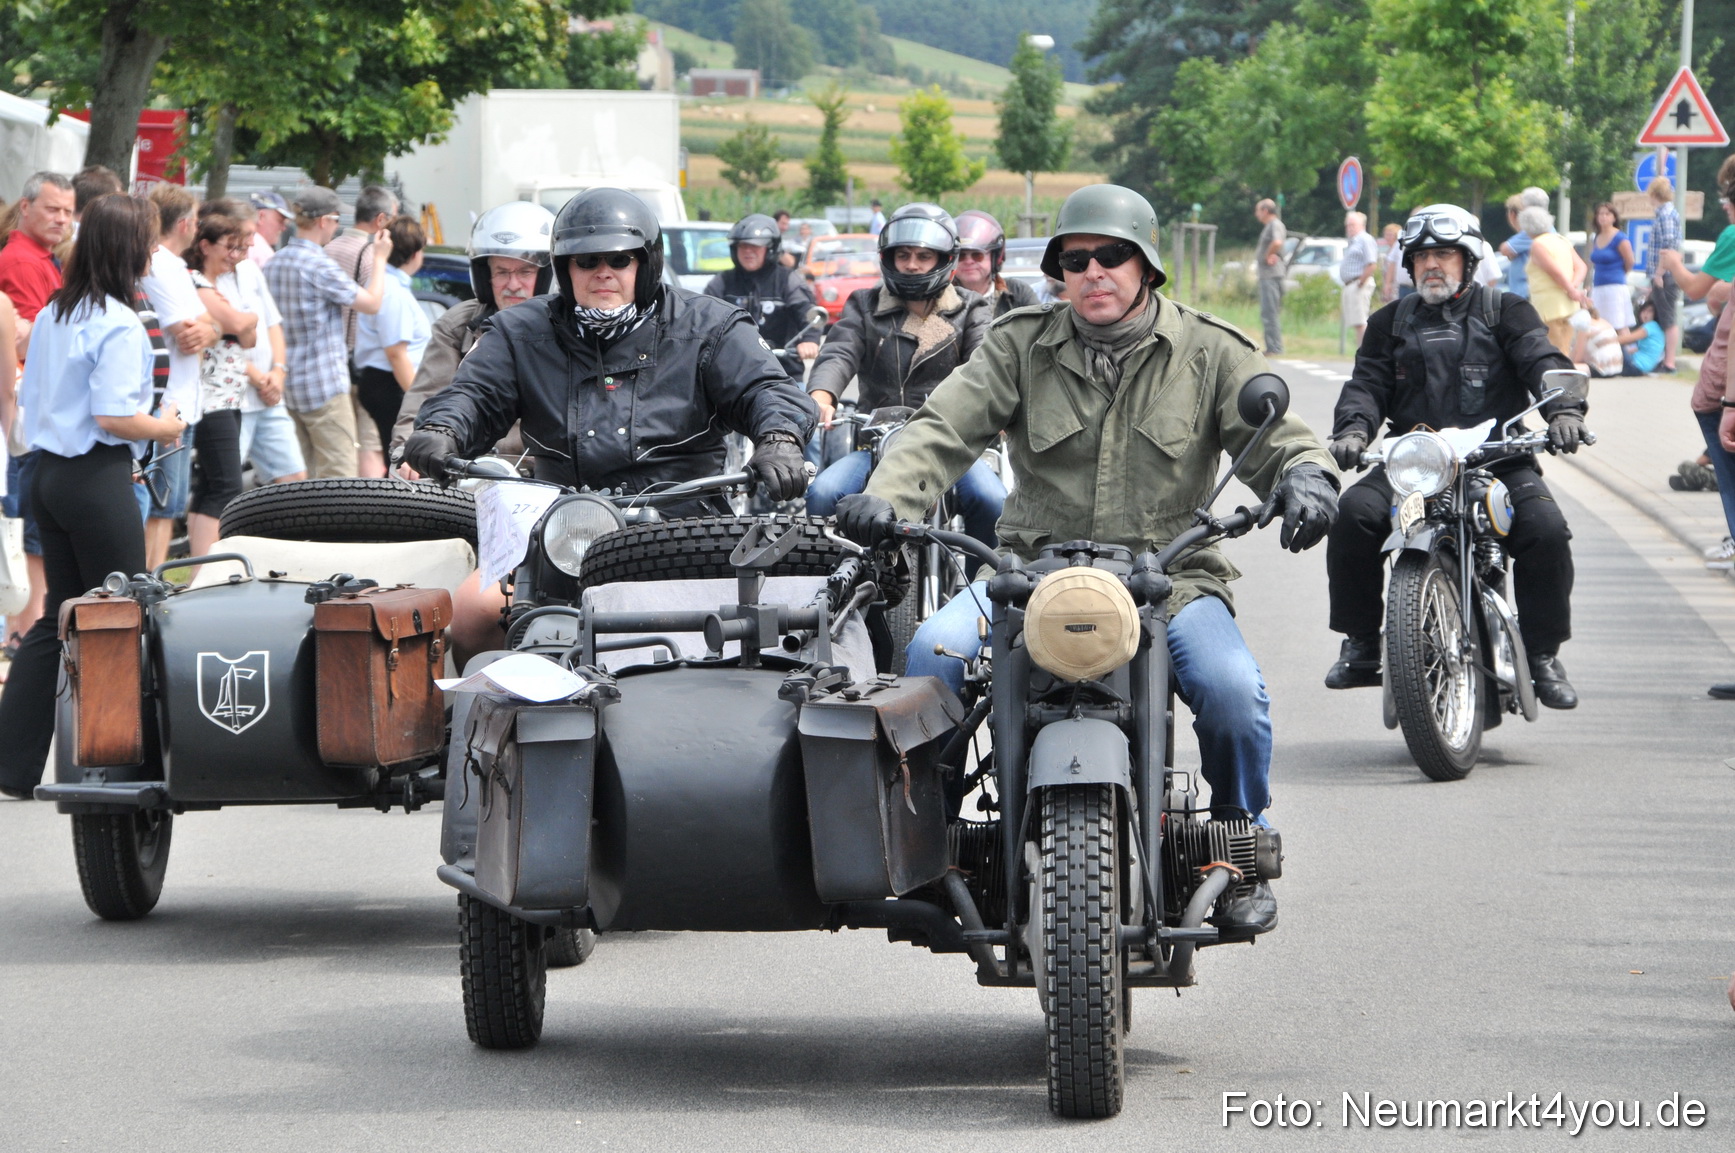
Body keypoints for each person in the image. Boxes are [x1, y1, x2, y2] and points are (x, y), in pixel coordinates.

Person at [833, 184, 1340, 936]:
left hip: (1168, 576)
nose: (1093, 272)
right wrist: (888, 497)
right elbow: (942, 428)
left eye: (1112, 257)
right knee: (929, 653)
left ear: (1146, 266)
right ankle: (931, 853)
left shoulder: (1207, 350)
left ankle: (1234, 853)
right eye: (1076, 260)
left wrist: (1305, 477)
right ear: (1058, 271)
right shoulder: (1018, 343)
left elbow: (1276, 437)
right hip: (1025, 574)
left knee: (1232, 691)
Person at [405, 187, 816, 662]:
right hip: (560, 528)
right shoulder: (520, 331)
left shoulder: (708, 325)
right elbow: (473, 394)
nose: (603, 272)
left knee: (727, 646)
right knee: (471, 614)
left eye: (619, 260)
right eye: (586, 261)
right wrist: (442, 430)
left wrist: (780, 437)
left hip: (683, 528)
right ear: (565, 268)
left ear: (646, 264)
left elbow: (766, 388)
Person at [1323, 205, 1587, 709]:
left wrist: (1564, 411)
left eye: (1444, 254)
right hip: (1416, 461)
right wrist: (1354, 430)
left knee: (1546, 530)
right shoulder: (1389, 322)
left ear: (1467, 260)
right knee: (1352, 515)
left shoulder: (1504, 310)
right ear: (1409, 266)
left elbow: (1541, 357)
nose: (1432, 266)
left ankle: (1542, 654)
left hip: (1498, 458)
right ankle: (1360, 643)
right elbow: (1366, 386)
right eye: (1422, 257)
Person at [0, 194, 187, 799]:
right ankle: (121, 754)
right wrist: (168, 426)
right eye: (150, 243)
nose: (155, 253)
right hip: (93, 475)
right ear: (132, 249)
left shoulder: (56, 310)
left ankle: (11, 764)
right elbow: (114, 416)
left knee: (61, 618)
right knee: (121, 613)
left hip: (49, 475)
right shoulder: (117, 321)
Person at [802, 202, 1000, 545]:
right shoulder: (863, 304)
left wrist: (994, 409)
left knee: (992, 501)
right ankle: (838, 591)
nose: (911, 264)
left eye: (923, 256)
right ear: (888, 258)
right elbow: (839, 350)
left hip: (951, 445)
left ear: (944, 259)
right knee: (824, 494)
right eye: (903, 255)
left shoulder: (972, 308)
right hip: (877, 443)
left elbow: (985, 366)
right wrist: (822, 393)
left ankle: (978, 591)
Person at [391, 200, 554, 459]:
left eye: (525, 271)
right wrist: (411, 451)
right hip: (469, 470)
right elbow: (423, 402)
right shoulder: (457, 325)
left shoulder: (571, 330)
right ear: (484, 277)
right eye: (501, 272)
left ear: (548, 275)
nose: (513, 284)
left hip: (546, 474)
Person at [264, 186, 390, 479]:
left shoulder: (274, 262)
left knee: (301, 478)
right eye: (335, 220)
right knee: (338, 479)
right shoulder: (319, 265)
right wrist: (380, 258)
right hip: (324, 386)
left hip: (288, 385)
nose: (337, 226)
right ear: (323, 221)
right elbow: (371, 303)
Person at [0, 171, 73, 656]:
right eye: (53, 209)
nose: (62, 219)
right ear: (25, 207)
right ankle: (22, 634)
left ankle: (24, 632)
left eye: (68, 211)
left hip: (27, 408)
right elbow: (24, 341)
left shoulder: (42, 258)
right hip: (23, 415)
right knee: (27, 534)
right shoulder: (22, 261)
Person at [141, 183, 218, 569]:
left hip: (177, 400)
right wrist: (211, 327)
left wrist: (211, 328)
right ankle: (147, 585)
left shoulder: (172, 265)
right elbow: (189, 330)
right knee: (159, 504)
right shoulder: (162, 264)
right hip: (168, 403)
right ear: (186, 224)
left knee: (164, 505)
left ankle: (149, 583)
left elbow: (206, 327)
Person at [209, 199, 303, 486]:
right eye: (247, 234)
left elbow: (272, 323)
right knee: (226, 484)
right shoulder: (208, 276)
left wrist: (278, 371)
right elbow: (220, 341)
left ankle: (279, 532)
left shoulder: (250, 270)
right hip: (236, 398)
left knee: (293, 477)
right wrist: (260, 379)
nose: (252, 242)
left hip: (270, 395)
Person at [185, 209, 260, 555]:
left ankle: (202, 567)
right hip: (210, 397)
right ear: (204, 245)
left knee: (212, 485)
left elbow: (249, 337)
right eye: (229, 248)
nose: (235, 257)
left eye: (240, 249)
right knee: (226, 485)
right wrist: (244, 319)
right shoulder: (197, 283)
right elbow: (239, 323)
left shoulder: (216, 288)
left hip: (229, 396)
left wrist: (242, 322)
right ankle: (206, 566)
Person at [325, 185, 400, 477]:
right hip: (364, 361)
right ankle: (370, 514)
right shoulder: (372, 256)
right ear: (380, 220)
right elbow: (378, 309)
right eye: (392, 218)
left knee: (341, 446)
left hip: (333, 363)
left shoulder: (327, 250)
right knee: (370, 444)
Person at [352, 216, 430, 455]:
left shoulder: (386, 284)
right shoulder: (393, 291)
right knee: (402, 457)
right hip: (391, 384)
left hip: (385, 381)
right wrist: (418, 403)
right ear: (416, 253)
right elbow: (396, 354)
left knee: (395, 456)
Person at [702, 213, 822, 356]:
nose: (748, 251)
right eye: (742, 245)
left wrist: (809, 340)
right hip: (734, 369)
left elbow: (807, 313)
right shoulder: (723, 281)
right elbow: (703, 317)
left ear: (771, 249)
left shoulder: (787, 280)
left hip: (783, 369)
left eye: (755, 246)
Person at [1521, 205, 1589, 356]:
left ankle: (1563, 378)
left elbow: (1555, 273)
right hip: (1569, 306)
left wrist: (1570, 290)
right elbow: (1581, 267)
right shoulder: (1562, 240)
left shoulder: (1538, 245)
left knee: (1554, 352)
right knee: (1564, 348)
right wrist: (1573, 288)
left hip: (1548, 307)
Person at [952, 209, 1039, 318]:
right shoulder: (941, 298)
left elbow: (1041, 329)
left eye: (977, 255)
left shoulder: (1018, 292)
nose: (969, 261)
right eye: (961, 256)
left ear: (995, 257)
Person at [1645, 177, 1682, 371]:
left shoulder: (1666, 214)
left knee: (1668, 317)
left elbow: (1668, 247)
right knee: (1662, 315)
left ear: (1655, 195)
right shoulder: (1665, 214)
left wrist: (1659, 273)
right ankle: (1664, 358)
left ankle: (1669, 362)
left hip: (1665, 274)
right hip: (1662, 273)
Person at [1587, 201, 1635, 331]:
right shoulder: (1596, 237)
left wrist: (1620, 273)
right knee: (1598, 323)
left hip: (1615, 287)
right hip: (1598, 286)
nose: (1603, 217)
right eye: (1600, 214)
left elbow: (1630, 260)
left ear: (1614, 217)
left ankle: (1625, 350)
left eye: (1607, 214)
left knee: (1618, 324)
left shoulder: (1620, 238)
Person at [1339, 210, 1379, 346]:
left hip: (1359, 283)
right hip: (1351, 284)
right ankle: (1361, 351)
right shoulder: (1353, 241)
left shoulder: (1365, 239)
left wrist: (1361, 282)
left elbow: (1371, 263)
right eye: (1348, 225)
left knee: (1360, 321)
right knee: (1356, 322)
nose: (1349, 228)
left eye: (1353, 225)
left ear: (1362, 225)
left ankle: (1364, 353)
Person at [1254, 197, 1286, 354]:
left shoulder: (1275, 225)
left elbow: (1277, 242)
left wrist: (1268, 255)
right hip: (1268, 275)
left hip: (1271, 275)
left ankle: (1275, 347)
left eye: (1258, 210)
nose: (1256, 214)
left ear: (1265, 211)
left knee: (1270, 312)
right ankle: (1272, 346)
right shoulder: (1271, 225)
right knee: (1267, 312)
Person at [248, 191, 291, 266]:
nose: (283, 228)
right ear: (261, 217)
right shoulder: (261, 251)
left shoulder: (241, 244)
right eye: (280, 221)